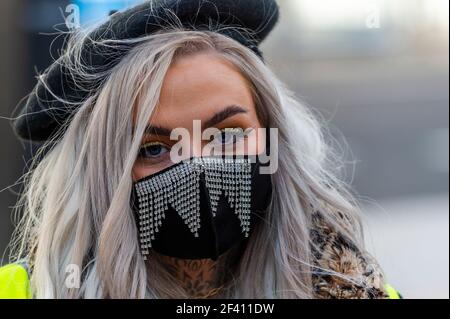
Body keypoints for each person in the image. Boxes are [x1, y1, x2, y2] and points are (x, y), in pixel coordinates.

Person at [0, 0, 401, 299]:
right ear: (103, 173)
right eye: (153, 148)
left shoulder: (355, 288)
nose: (198, 164)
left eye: (226, 135)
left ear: (274, 136)